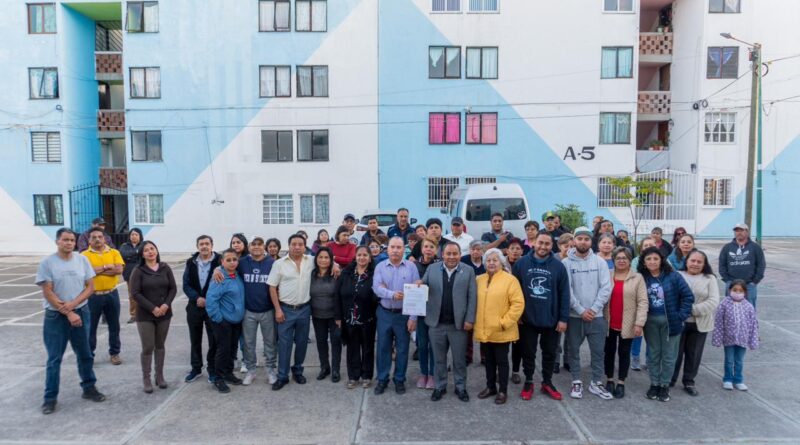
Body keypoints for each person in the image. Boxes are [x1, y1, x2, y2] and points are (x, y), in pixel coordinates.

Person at [36, 228, 106, 415]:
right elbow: (48, 291)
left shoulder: (82, 260)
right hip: (55, 316)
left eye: (72, 240)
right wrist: (68, 313)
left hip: (81, 312)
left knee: (85, 354)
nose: (69, 243)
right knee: (54, 359)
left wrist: (73, 306)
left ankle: (89, 388)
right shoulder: (47, 263)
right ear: (57, 241)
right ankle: (50, 398)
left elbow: (90, 287)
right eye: (65, 239)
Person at [513, 232, 570, 401]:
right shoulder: (521, 263)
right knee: (528, 353)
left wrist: (563, 319)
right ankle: (529, 381)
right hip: (527, 319)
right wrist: (517, 315)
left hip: (551, 319)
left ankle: (547, 382)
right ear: (534, 243)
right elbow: (513, 292)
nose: (543, 246)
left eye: (547, 243)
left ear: (552, 246)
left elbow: (565, 294)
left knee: (550, 353)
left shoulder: (559, 267)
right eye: (540, 243)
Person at [420, 242, 477, 402]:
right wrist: (419, 284)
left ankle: (460, 387)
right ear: (442, 255)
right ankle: (440, 386)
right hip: (436, 324)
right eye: (448, 254)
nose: (451, 257)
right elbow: (423, 284)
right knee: (439, 359)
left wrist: (470, 319)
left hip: (458, 325)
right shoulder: (432, 269)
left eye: (455, 253)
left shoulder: (468, 270)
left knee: (459, 360)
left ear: (460, 254)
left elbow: (472, 297)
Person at [637, 246, 694, 402]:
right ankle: (654, 383)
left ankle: (664, 385)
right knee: (653, 354)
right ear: (644, 262)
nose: (652, 261)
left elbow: (688, 297)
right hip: (650, 322)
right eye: (648, 259)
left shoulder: (673, 276)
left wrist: (680, 316)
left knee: (669, 356)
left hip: (671, 322)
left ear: (662, 260)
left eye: (656, 258)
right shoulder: (641, 278)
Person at [563, 226, 613, 400]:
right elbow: (566, 290)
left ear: (591, 241)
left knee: (598, 352)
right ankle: (576, 380)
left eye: (586, 239)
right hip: (574, 316)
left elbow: (606, 288)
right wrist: (580, 310)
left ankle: (596, 382)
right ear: (574, 241)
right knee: (573, 351)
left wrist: (593, 309)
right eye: (580, 239)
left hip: (596, 316)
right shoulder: (566, 263)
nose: (583, 242)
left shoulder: (600, 262)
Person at [474, 248, 524, 405]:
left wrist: (504, 323)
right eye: (488, 260)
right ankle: (490, 387)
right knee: (488, 361)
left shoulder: (510, 280)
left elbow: (518, 304)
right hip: (485, 329)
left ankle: (503, 390)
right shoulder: (479, 279)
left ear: (501, 262)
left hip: (502, 329)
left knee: (502, 361)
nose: (491, 263)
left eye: (495, 260)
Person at [372, 237, 420, 395]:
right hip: (384, 312)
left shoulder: (411, 267)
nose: (395, 250)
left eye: (399, 247)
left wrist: (413, 318)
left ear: (403, 250)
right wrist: (391, 294)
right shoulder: (380, 266)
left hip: (403, 314)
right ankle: (382, 379)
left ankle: (399, 379)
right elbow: (376, 288)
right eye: (392, 247)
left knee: (403, 349)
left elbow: (416, 293)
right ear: (387, 249)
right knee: (383, 348)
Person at [268, 234, 315, 390]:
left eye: (300, 244)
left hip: (304, 309)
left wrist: (334, 265)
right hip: (285, 309)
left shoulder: (311, 261)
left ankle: (298, 371)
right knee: (284, 344)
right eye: (294, 244)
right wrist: (277, 309)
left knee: (301, 343)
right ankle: (282, 376)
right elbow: (272, 287)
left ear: (304, 246)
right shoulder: (279, 264)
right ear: (288, 246)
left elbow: (327, 259)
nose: (297, 247)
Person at [129, 240, 176, 393]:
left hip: (164, 313)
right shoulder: (138, 270)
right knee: (148, 346)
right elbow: (135, 293)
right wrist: (153, 308)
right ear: (142, 254)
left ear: (156, 250)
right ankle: (146, 378)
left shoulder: (165, 267)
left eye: (152, 248)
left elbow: (173, 288)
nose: (150, 252)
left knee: (160, 345)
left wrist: (166, 305)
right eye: (146, 250)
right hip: (145, 315)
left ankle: (159, 376)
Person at [672, 250, 720, 395]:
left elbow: (713, 301)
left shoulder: (710, 278)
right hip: (679, 321)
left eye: (699, 262)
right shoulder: (677, 275)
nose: (695, 264)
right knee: (675, 353)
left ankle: (689, 381)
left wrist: (691, 310)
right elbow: (671, 296)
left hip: (700, 323)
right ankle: (671, 379)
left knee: (694, 354)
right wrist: (682, 311)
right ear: (686, 261)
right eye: (692, 260)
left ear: (704, 264)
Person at [603, 247, 647, 399]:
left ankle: (621, 382)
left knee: (624, 352)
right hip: (608, 321)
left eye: (625, 258)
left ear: (630, 260)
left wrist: (639, 323)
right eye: (618, 258)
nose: (621, 261)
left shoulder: (637, 278)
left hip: (628, 322)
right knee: (608, 352)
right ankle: (609, 379)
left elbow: (643, 301)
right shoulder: (607, 275)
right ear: (613, 260)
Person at [235, 237, 277, 385]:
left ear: (264, 246)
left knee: (270, 343)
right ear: (249, 247)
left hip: (267, 310)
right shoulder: (242, 262)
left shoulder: (272, 262)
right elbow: (226, 267)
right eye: (254, 244)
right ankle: (251, 371)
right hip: (249, 310)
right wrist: (217, 270)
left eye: (260, 244)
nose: (257, 247)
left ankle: (270, 370)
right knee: (248, 343)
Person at [335, 246, 378, 389]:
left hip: (368, 319)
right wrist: (338, 317)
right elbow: (337, 295)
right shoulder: (346, 273)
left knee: (368, 348)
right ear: (355, 257)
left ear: (370, 258)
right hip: (349, 319)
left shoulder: (375, 274)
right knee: (352, 348)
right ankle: (353, 376)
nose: (362, 258)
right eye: (359, 255)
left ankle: (366, 376)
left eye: (365, 255)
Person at [81, 227, 124, 365]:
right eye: (94, 237)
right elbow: (85, 273)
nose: (97, 239)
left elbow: (119, 270)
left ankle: (115, 353)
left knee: (114, 325)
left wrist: (95, 271)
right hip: (93, 296)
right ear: (89, 240)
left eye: (100, 237)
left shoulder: (114, 252)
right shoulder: (84, 256)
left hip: (112, 294)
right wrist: (107, 267)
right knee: (91, 327)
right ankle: (89, 355)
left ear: (104, 238)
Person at [205, 249, 246, 393]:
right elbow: (211, 301)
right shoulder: (219, 277)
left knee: (232, 349)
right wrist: (219, 319)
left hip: (236, 321)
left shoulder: (237, 275)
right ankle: (218, 378)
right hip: (223, 322)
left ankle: (228, 373)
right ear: (222, 262)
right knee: (223, 350)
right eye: (228, 260)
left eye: (234, 259)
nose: (232, 262)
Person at [183, 235, 221, 383]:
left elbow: (223, 283)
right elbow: (186, 284)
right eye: (201, 244)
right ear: (197, 246)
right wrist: (197, 298)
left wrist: (208, 299)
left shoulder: (220, 261)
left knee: (214, 340)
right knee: (195, 340)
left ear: (212, 245)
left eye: (207, 244)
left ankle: (212, 369)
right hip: (194, 307)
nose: (204, 246)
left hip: (212, 308)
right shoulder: (191, 262)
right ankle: (196, 368)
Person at [712, 280, 759, 391]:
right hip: (729, 339)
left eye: (740, 291)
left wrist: (753, 340)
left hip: (743, 339)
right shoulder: (724, 304)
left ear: (745, 292)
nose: (737, 293)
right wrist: (717, 339)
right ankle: (727, 379)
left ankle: (738, 380)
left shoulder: (749, 306)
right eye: (735, 290)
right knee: (729, 360)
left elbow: (753, 324)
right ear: (730, 290)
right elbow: (718, 322)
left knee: (739, 361)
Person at [310, 247, 342, 383]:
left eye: (326, 257)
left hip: (334, 316)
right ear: (316, 259)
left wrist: (339, 316)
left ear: (331, 259)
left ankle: (335, 370)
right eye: (320, 257)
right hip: (317, 315)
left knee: (336, 342)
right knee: (321, 342)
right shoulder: (311, 274)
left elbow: (341, 296)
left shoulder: (337, 274)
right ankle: (325, 367)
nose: (323, 260)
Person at [718, 223, 766, 309]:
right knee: (729, 309)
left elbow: (761, 265)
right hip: (731, 285)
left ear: (747, 232)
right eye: (736, 230)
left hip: (749, 285)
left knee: (749, 309)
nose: (739, 232)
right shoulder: (727, 248)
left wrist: (754, 281)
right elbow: (722, 265)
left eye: (741, 230)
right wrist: (728, 280)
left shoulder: (755, 247)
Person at [414, 237, 440, 390]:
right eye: (426, 246)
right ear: (422, 248)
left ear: (436, 249)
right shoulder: (414, 265)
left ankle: (432, 374)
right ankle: (423, 373)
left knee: (434, 345)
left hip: (436, 311)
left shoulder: (440, 265)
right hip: (420, 311)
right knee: (422, 345)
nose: (428, 249)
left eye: (432, 247)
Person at [630, 236, 657, 371]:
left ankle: (649, 359)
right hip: (639, 301)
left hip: (655, 301)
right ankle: (635, 357)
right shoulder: (635, 261)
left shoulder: (663, 260)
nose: (648, 247)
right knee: (637, 332)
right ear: (641, 248)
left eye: (651, 245)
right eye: (645, 245)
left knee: (652, 334)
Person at [461, 239, 486, 365]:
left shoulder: (486, 262)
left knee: (483, 328)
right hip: (467, 299)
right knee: (467, 330)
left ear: (482, 251)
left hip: (484, 300)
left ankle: (484, 356)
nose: (475, 252)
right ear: (469, 250)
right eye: (473, 249)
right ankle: (467, 356)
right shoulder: (463, 261)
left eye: (478, 249)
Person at [554, 232, 574, 373]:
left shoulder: (576, 260)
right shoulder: (554, 259)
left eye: (572, 246)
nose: (569, 249)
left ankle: (568, 359)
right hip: (557, 301)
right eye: (566, 246)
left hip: (572, 301)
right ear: (559, 246)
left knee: (570, 335)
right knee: (556, 334)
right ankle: (555, 360)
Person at [506, 237, 524, 384]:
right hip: (503, 309)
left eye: (518, 248)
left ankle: (515, 371)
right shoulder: (500, 263)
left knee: (518, 344)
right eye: (512, 248)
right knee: (502, 344)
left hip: (520, 310)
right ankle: (501, 370)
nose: (515, 251)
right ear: (507, 250)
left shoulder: (526, 264)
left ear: (522, 251)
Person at [120, 228, 143, 324]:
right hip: (129, 274)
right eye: (132, 234)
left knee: (144, 294)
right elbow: (124, 255)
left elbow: (143, 256)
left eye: (136, 234)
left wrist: (131, 257)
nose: (134, 236)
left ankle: (143, 313)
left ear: (140, 236)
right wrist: (137, 253)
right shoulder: (124, 246)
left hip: (142, 273)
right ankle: (134, 315)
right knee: (132, 295)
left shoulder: (143, 245)